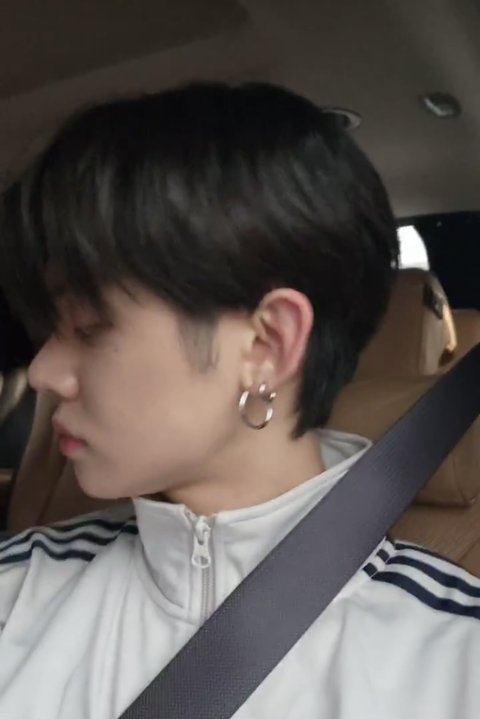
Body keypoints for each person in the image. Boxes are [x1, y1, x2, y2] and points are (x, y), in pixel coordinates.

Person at [0, 82, 478, 719]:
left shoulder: (456, 662)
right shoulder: (16, 589)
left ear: (266, 344)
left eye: (88, 327)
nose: (41, 371)